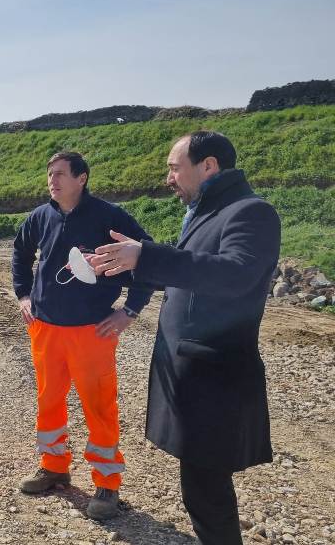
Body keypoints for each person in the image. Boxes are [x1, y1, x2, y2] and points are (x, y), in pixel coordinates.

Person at [91, 131, 280, 544]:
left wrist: (147, 255)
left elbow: (234, 275)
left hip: (216, 376)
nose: (169, 178)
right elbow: (190, 273)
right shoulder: (208, 212)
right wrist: (124, 266)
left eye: (175, 168)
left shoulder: (251, 212)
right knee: (200, 487)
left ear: (208, 166)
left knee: (208, 494)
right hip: (195, 374)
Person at [11, 151, 154, 521]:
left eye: (60, 174)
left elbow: (149, 258)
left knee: (99, 406)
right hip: (45, 328)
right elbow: (21, 252)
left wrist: (130, 310)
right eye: (49, 174)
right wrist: (23, 294)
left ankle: (107, 484)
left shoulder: (109, 217)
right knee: (49, 400)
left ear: (82, 178)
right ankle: (53, 466)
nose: (52, 180)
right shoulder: (41, 216)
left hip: (92, 332)